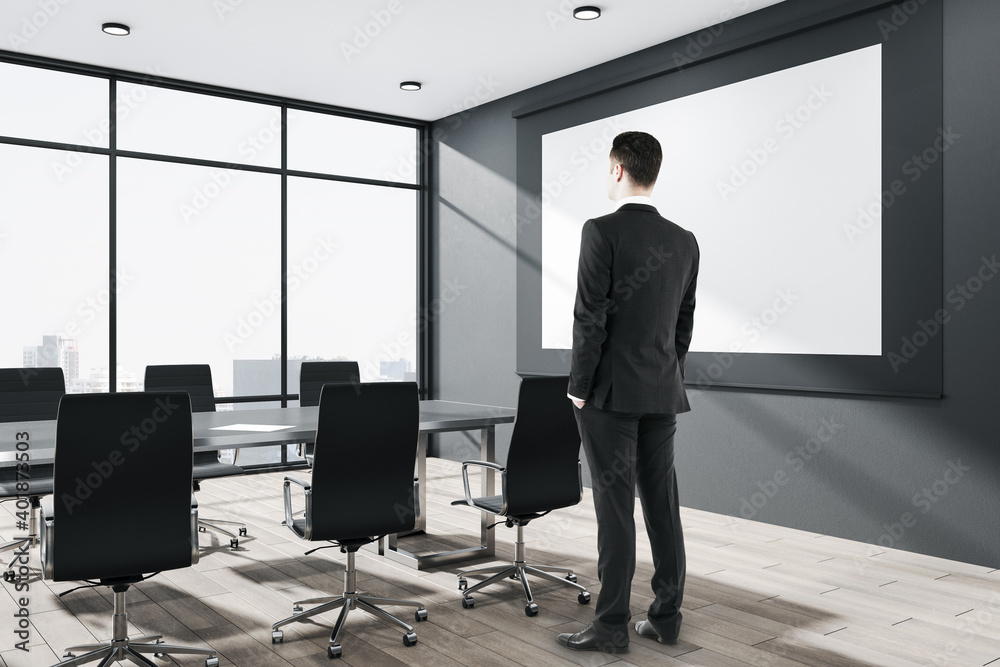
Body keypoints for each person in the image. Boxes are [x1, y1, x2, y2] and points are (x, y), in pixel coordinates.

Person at [557, 131, 699, 654]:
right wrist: (666, 374)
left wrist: (578, 387)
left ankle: (612, 625)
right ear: (653, 172)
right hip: (663, 392)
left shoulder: (601, 231)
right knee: (663, 504)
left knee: (614, 507)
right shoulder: (686, 240)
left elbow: (588, 317)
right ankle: (666, 616)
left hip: (609, 396)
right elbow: (683, 326)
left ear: (617, 169)